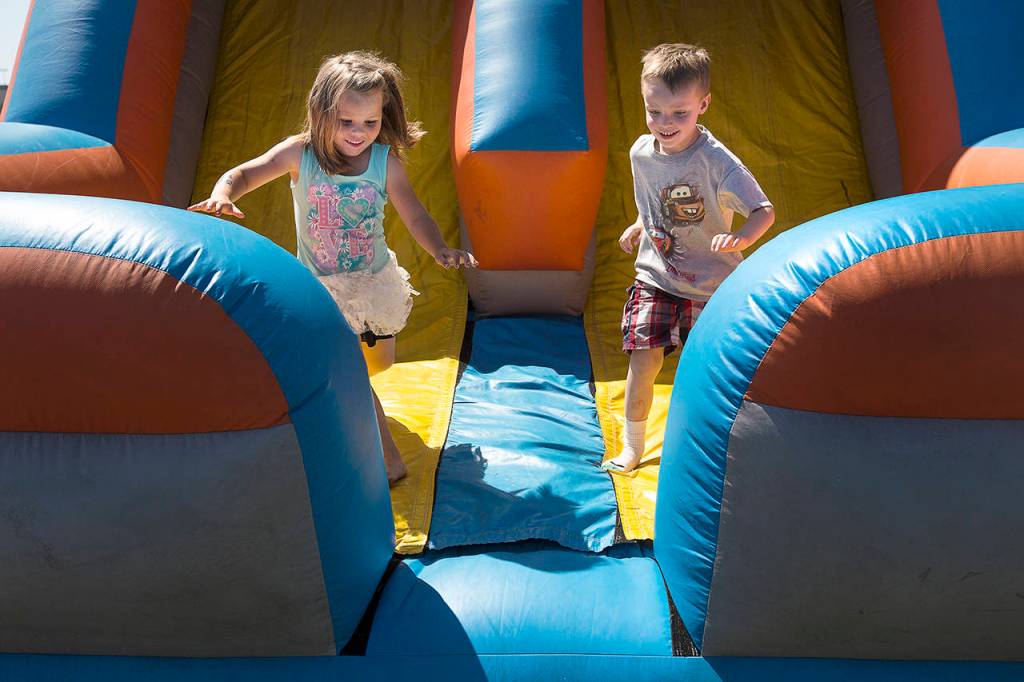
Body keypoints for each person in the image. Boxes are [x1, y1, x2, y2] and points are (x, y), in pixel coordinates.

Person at [190, 51, 476, 485]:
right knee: (348, 370)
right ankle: (387, 460)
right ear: (321, 113)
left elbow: (415, 215)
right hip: (321, 288)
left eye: (371, 122)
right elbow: (246, 174)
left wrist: (439, 248)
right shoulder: (299, 155)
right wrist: (224, 192)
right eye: (347, 122)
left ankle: (357, 401)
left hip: (373, 282)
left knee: (377, 366)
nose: (359, 133)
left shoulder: (384, 163)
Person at [603, 43, 775, 473]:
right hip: (656, 275)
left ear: (704, 104)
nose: (665, 124)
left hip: (712, 282)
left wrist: (740, 238)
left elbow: (763, 210)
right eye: (654, 111)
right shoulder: (641, 152)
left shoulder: (717, 162)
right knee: (644, 358)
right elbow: (653, 201)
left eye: (680, 113)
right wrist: (641, 224)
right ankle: (633, 446)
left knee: (712, 368)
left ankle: (716, 444)